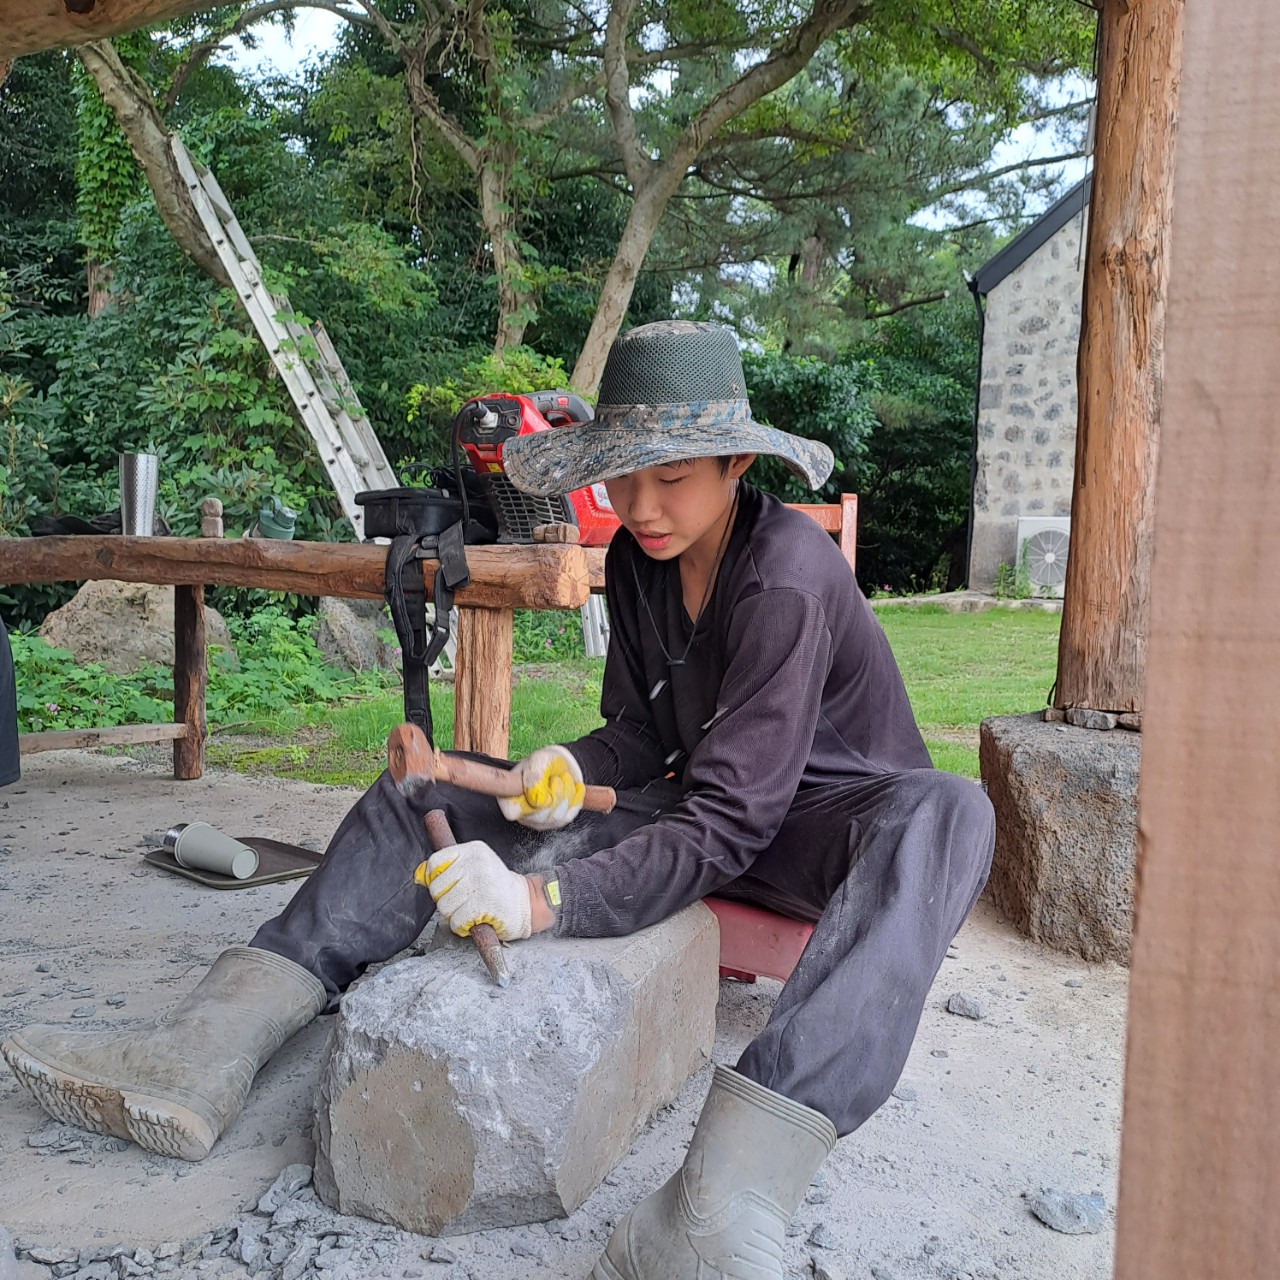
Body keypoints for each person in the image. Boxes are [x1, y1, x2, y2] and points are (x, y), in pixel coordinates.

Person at [2, 320, 994, 1280]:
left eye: (671, 479)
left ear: (737, 466)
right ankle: (203, 1049)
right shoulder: (637, 564)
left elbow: (735, 821)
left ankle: (714, 1203)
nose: (641, 506)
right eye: (622, 477)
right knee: (422, 783)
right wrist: (565, 764)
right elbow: (643, 741)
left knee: (949, 810)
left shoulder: (785, 576)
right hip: (700, 805)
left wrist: (538, 902)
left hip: (822, 832)